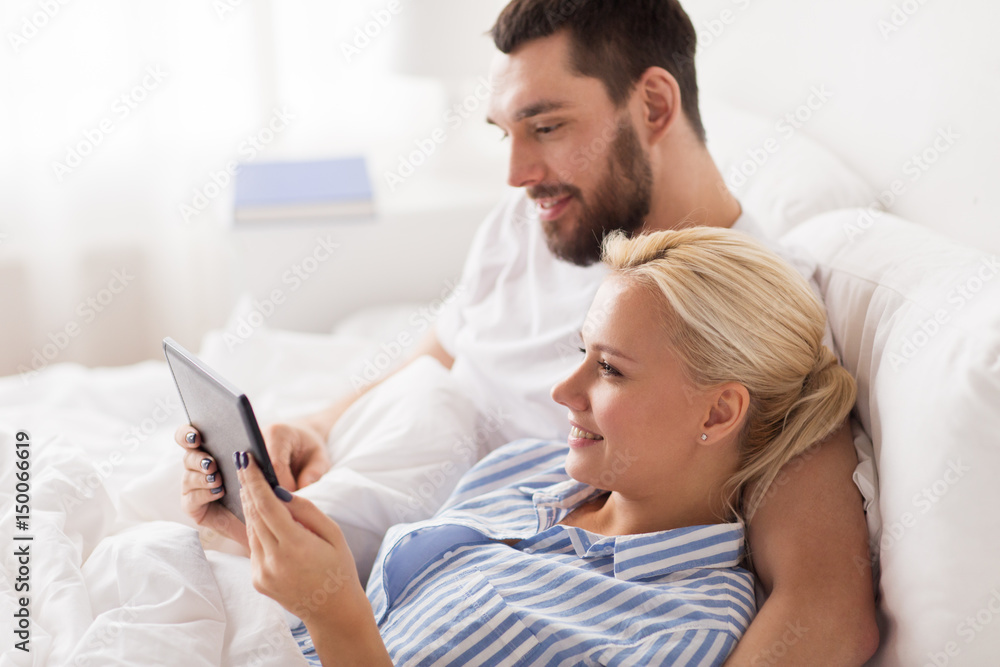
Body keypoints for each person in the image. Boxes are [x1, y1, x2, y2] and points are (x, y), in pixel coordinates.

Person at [176, 0, 879, 662]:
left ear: (654, 105)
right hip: (439, 539)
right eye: (505, 133)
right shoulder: (539, 222)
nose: (516, 174)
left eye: (546, 128)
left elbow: (826, 603)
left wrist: (334, 610)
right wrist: (321, 424)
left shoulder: (757, 323)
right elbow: (446, 348)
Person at [227, 227, 857, 666]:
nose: (563, 390)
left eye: (609, 369)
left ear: (718, 412)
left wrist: (335, 614)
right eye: (583, 352)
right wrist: (258, 527)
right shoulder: (524, 469)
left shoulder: (682, 626)